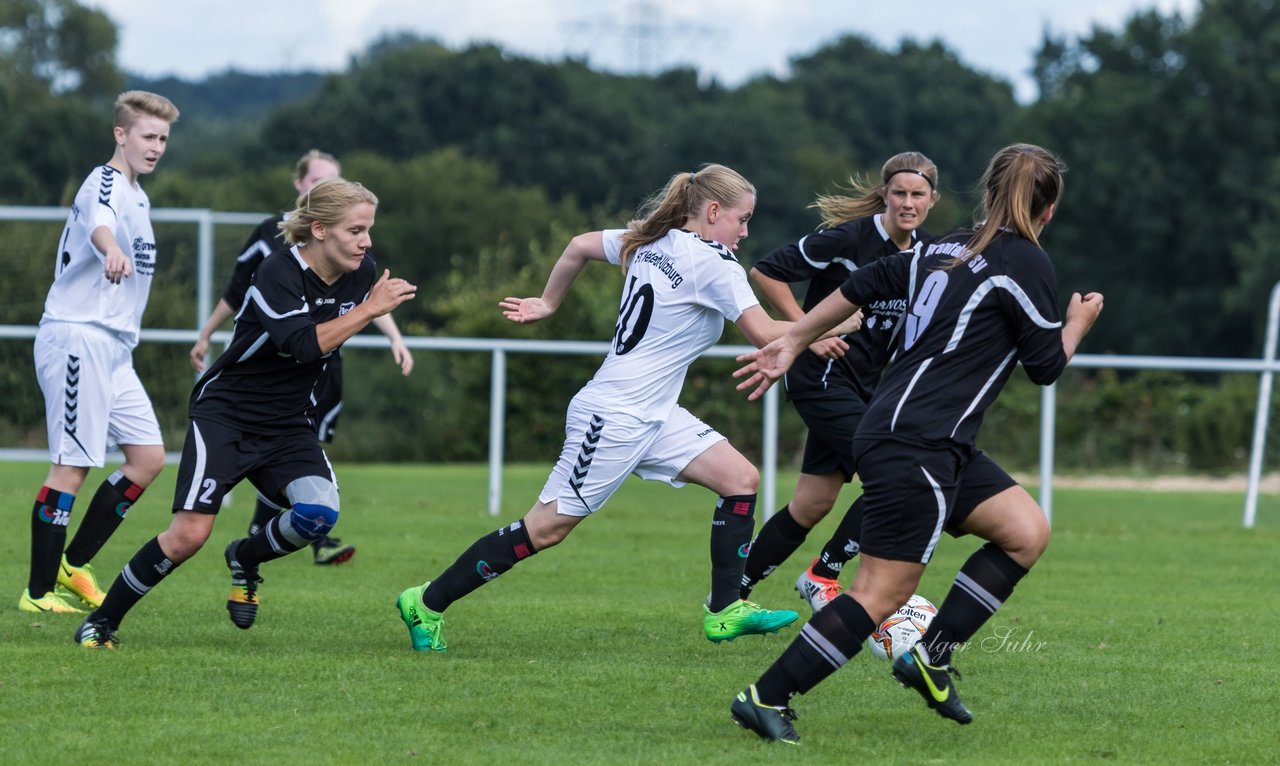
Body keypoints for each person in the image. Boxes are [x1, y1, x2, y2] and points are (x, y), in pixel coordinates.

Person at [727, 143, 1104, 742]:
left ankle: (931, 655)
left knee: (1025, 532)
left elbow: (870, 280)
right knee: (879, 593)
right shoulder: (1025, 262)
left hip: (928, 439)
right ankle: (766, 697)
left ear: (985, 196)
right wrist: (1077, 324)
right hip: (917, 444)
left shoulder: (946, 245)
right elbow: (1045, 367)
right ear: (1049, 210)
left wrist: (795, 336)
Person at [395, 164, 814, 653]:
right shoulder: (715, 263)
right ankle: (425, 601)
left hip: (654, 413)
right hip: (614, 415)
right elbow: (765, 333)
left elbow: (577, 245)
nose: (745, 232)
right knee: (545, 528)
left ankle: (724, 610)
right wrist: (839, 322)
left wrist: (550, 303)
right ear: (714, 211)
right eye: (742, 220)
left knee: (741, 479)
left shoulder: (648, 238)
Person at [74, 179, 417, 648]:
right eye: (356, 230)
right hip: (226, 416)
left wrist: (376, 311)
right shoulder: (277, 271)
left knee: (319, 515)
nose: (367, 241)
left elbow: (345, 321)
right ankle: (101, 622)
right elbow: (300, 346)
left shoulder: (362, 272)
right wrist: (372, 309)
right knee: (188, 536)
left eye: (369, 230)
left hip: (289, 423)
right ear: (319, 229)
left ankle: (245, 557)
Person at [190, 149, 415, 566]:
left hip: (311, 377)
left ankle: (271, 543)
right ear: (303, 190)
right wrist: (206, 332)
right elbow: (240, 294)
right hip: (262, 377)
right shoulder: (272, 246)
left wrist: (395, 338)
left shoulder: (356, 257)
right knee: (191, 530)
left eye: (335, 179)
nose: (365, 239)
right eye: (319, 182)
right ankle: (270, 541)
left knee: (303, 473)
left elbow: (364, 301)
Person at [741, 152, 939, 614]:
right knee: (896, 477)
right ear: (884, 195)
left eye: (917, 195)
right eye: (899, 193)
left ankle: (730, 594)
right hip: (822, 379)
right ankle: (822, 575)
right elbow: (765, 271)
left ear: (933, 200)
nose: (907, 203)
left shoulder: (930, 253)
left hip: (866, 390)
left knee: (811, 504)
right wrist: (809, 333)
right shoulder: (851, 237)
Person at [20, 91, 180, 616]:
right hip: (77, 337)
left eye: (162, 138)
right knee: (71, 466)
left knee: (147, 459)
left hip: (113, 349)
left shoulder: (141, 195)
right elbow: (99, 223)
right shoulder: (105, 181)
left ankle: (75, 564)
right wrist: (109, 247)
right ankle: (38, 593)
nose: (156, 147)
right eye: (147, 136)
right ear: (120, 135)